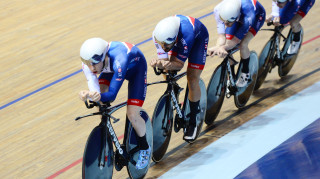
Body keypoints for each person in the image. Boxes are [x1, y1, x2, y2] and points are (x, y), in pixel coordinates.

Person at [78, 37, 150, 169]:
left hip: (135, 70)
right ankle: (107, 135)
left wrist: (91, 94)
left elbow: (112, 94)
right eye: (88, 64)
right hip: (110, 70)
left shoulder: (119, 59)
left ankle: (145, 148)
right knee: (100, 102)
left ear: (104, 57)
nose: (91, 67)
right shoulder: (90, 63)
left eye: (94, 63)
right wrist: (91, 95)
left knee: (132, 114)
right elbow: (97, 94)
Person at [150, 15, 209, 142]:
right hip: (176, 41)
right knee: (167, 71)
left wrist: (168, 64)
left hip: (197, 38)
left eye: (167, 46)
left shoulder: (186, 34)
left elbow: (179, 65)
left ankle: (193, 122)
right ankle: (174, 90)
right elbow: (164, 60)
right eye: (162, 45)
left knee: (192, 79)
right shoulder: (158, 35)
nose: (164, 48)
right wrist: (161, 64)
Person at [208, 0, 266, 87]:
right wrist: (218, 47)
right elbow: (221, 36)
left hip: (257, 16)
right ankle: (231, 76)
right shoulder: (218, 10)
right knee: (227, 44)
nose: (226, 24)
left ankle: (246, 73)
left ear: (235, 17)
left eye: (228, 22)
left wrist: (224, 47)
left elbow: (235, 40)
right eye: (224, 21)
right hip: (238, 17)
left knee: (243, 44)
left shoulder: (248, 16)